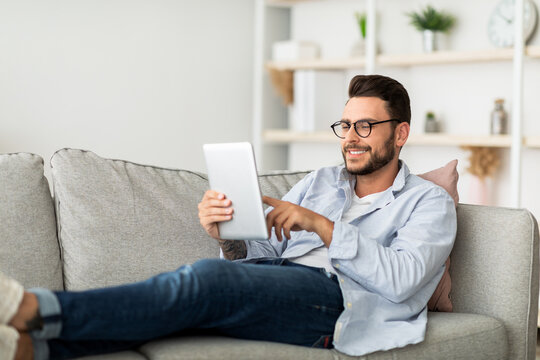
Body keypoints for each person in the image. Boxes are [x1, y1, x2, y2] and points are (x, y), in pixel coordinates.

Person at [0, 74, 456, 360]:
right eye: (344, 126)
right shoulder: (322, 181)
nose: (350, 138)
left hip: (341, 303)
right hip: (284, 285)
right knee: (183, 311)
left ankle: (30, 307)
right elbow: (261, 258)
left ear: (400, 133)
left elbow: (404, 279)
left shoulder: (427, 202)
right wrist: (229, 238)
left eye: (364, 126)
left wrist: (320, 225)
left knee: (205, 282)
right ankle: (29, 347)